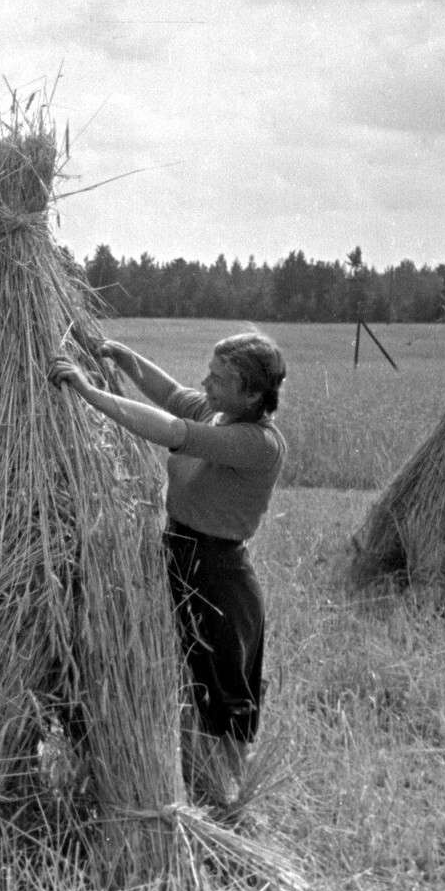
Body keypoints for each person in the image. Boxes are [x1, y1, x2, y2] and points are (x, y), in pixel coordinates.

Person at [50, 331, 287, 808]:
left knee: (220, 695)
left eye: (220, 380)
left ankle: (228, 802)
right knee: (177, 680)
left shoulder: (257, 442)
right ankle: (193, 789)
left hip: (219, 577)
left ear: (253, 394)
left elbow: (172, 430)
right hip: (177, 557)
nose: (206, 383)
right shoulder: (216, 411)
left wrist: (89, 393)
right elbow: (172, 396)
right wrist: (122, 354)